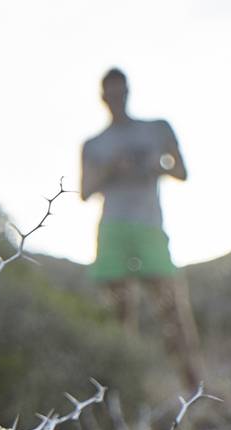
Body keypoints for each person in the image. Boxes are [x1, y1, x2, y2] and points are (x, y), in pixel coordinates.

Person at [80, 68, 201, 390]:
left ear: (128, 92)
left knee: (172, 311)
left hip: (149, 226)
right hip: (113, 230)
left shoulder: (156, 129)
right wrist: (112, 167)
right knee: (118, 317)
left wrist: (155, 163)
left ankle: (194, 388)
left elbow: (181, 171)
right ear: (102, 97)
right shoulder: (94, 144)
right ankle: (122, 391)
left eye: (121, 92)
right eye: (110, 93)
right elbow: (85, 191)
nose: (116, 99)